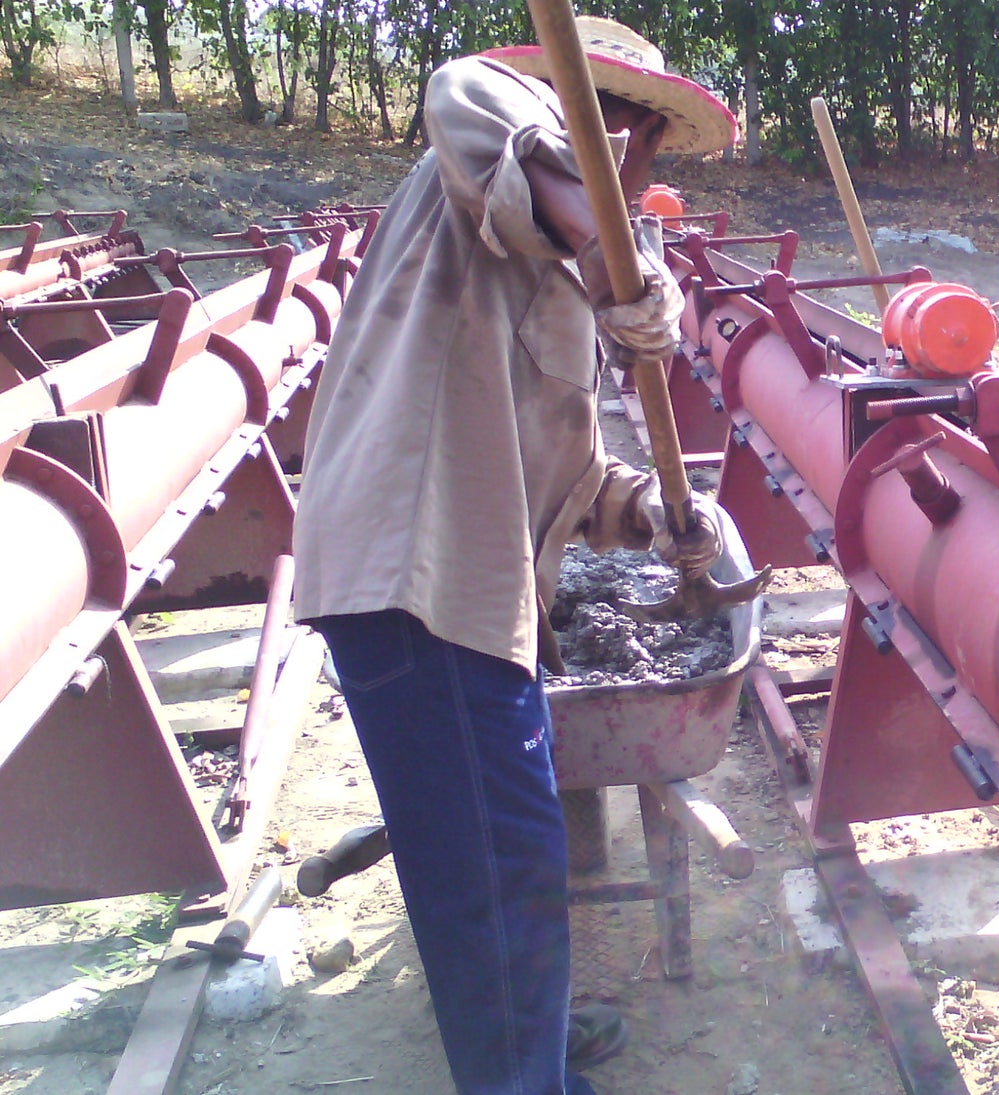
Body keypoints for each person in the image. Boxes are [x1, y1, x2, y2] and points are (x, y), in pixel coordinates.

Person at [291, 18, 736, 1095]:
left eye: (641, 148)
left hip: (475, 581)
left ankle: (521, 1033)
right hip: (419, 575)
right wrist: (607, 252)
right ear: (562, 110)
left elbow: (569, 480)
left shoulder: (548, 284)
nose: (628, 165)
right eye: (615, 130)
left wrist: (653, 514)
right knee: (497, 872)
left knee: (500, 862)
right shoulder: (474, 139)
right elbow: (468, 90)